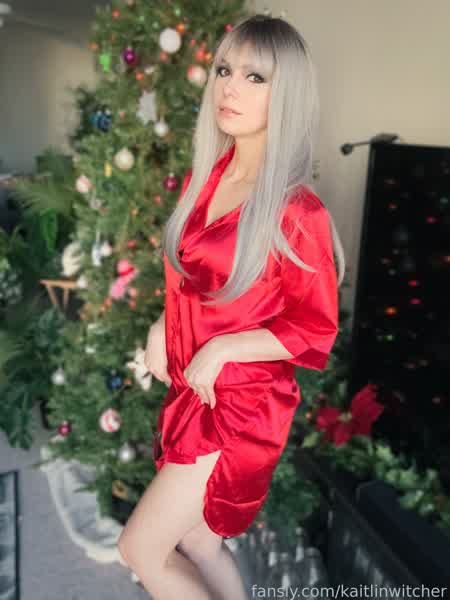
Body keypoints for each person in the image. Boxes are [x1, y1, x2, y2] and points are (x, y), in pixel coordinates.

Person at [117, 13, 346, 600]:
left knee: (140, 549)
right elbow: (193, 282)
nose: (229, 88)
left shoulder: (298, 210)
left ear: (286, 93)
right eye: (224, 70)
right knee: (199, 546)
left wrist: (223, 348)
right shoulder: (209, 177)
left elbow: (314, 328)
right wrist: (160, 323)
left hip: (240, 402)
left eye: (255, 77)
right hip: (195, 389)